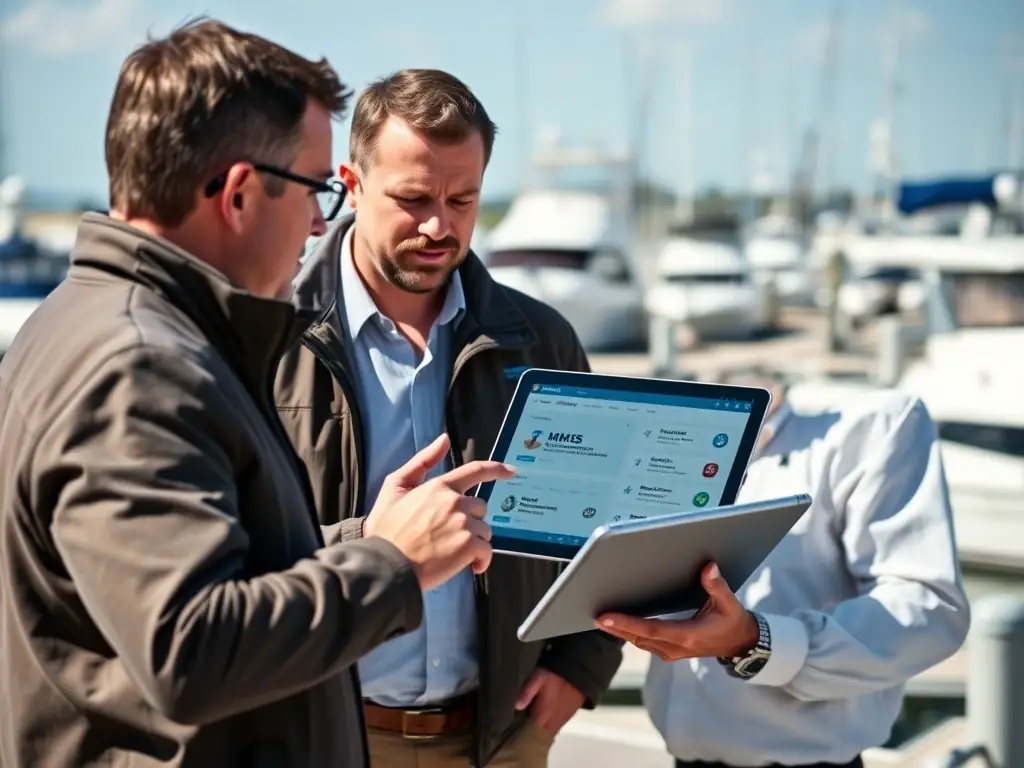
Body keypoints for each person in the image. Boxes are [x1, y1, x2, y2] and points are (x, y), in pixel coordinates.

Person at [0, 20, 514, 768]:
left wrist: (368, 539)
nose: (316, 223)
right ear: (240, 195)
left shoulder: (97, 323)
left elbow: (211, 579)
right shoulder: (138, 366)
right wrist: (392, 566)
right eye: (312, 189)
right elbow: (191, 648)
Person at [273, 68, 623, 767]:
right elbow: (231, 552)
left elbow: (605, 524)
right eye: (413, 199)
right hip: (323, 737)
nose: (440, 225)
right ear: (352, 180)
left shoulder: (543, 340)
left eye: (463, 200)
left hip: (499, 738)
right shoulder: (269, 336)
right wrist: (376, 543)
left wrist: (582, 668)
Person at [596, 370, 971, 768]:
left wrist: (753, 641)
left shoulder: (872, 427)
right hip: (682, 757)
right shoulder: (660, 433)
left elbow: (928, 608)